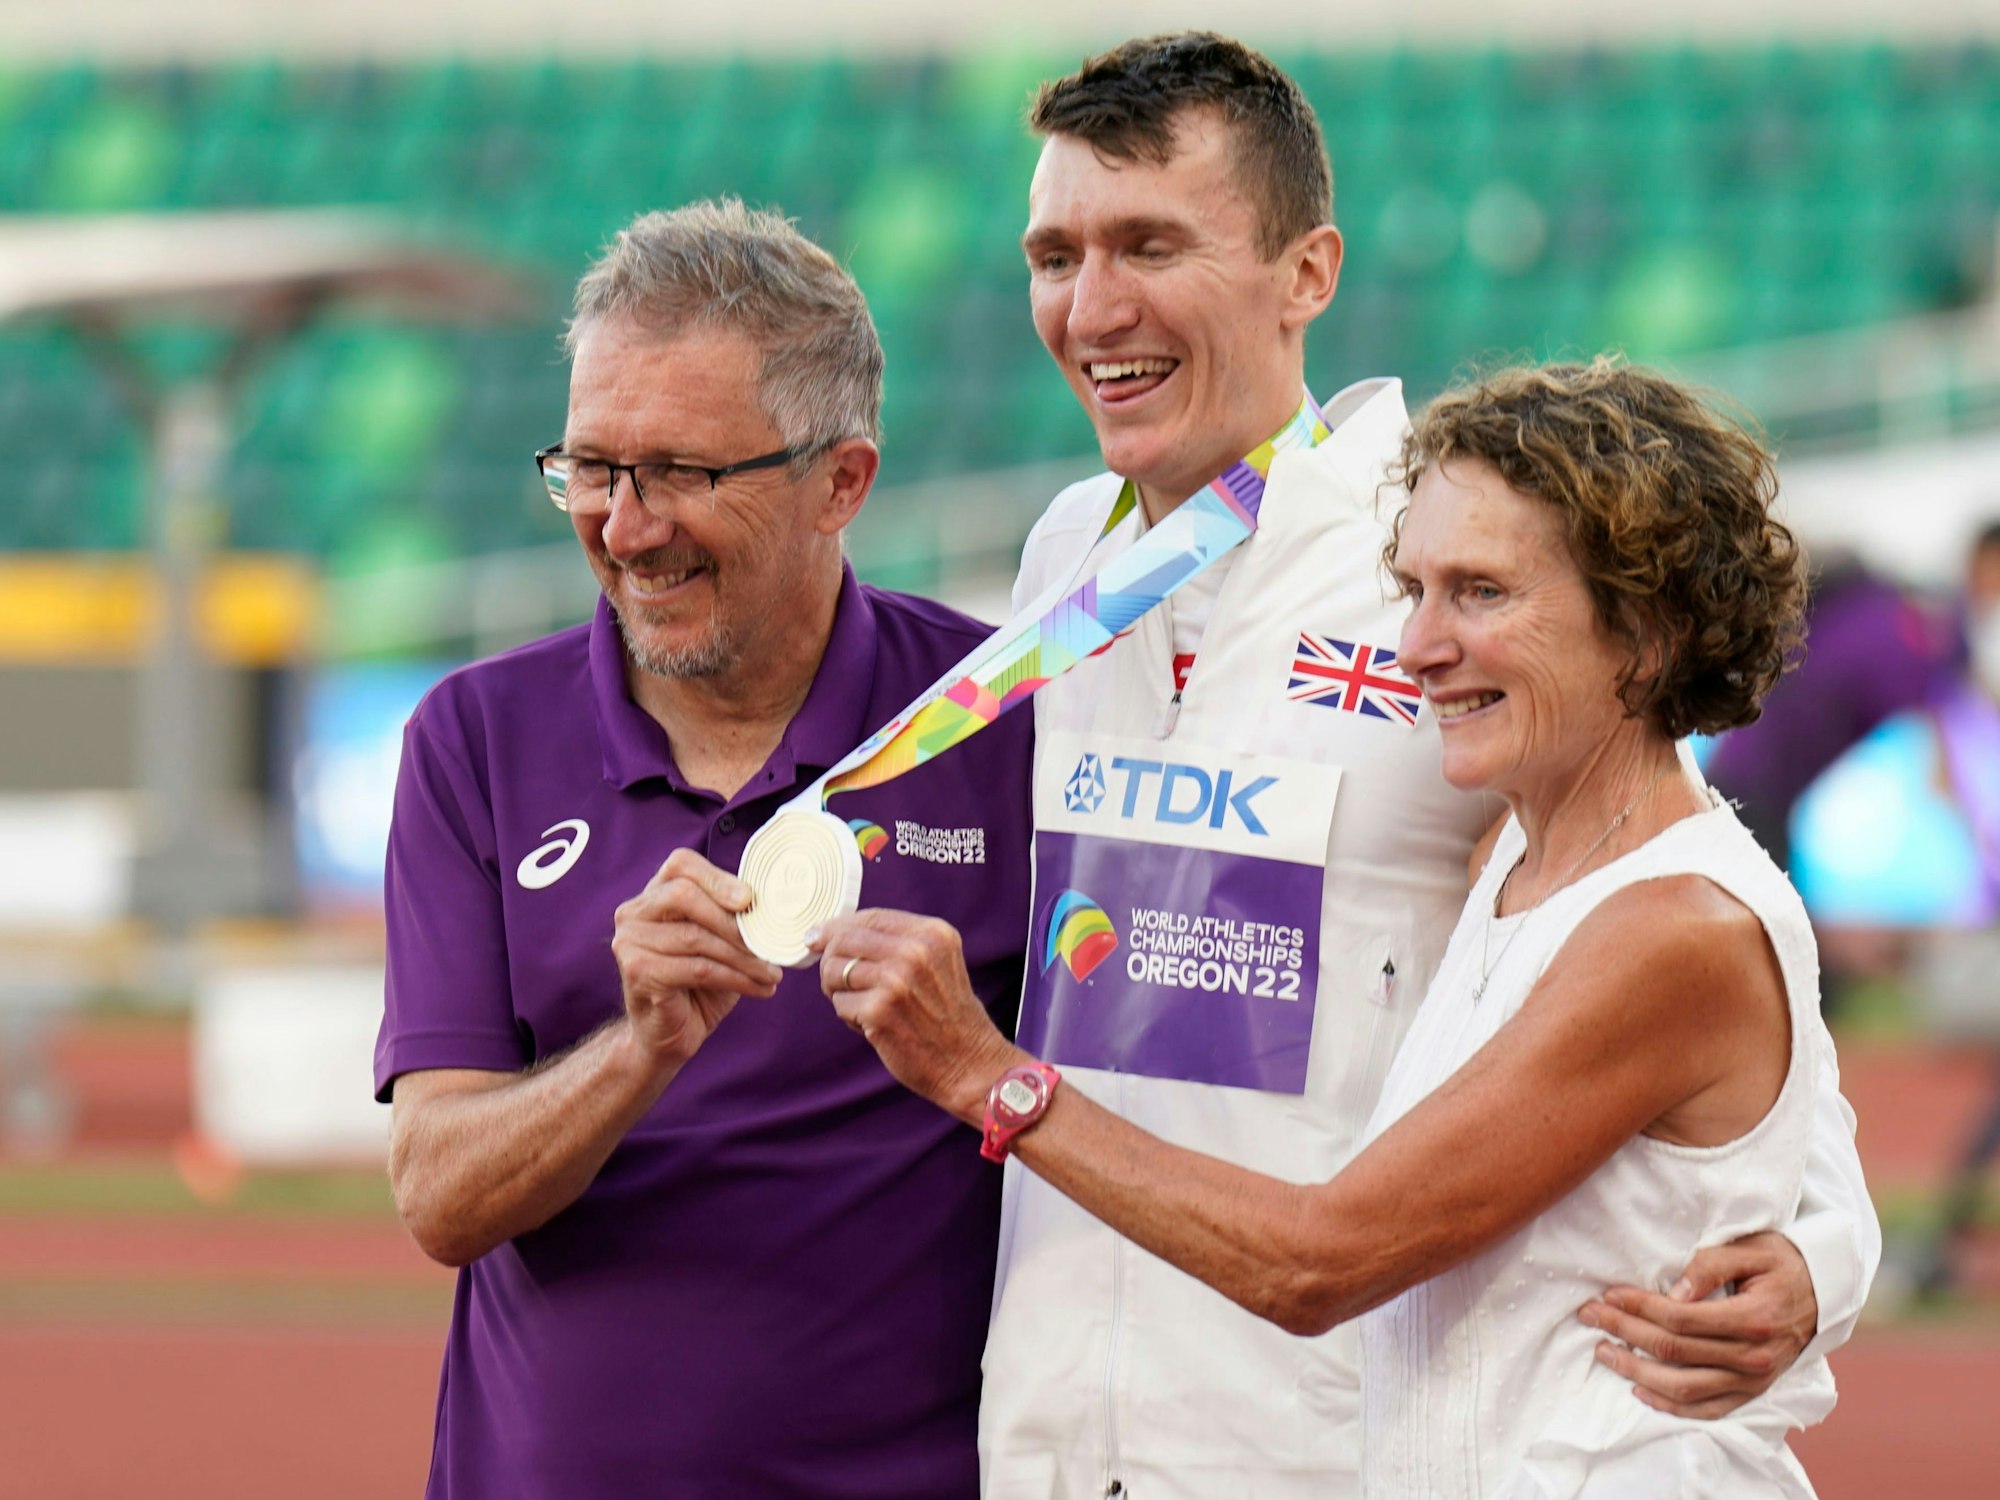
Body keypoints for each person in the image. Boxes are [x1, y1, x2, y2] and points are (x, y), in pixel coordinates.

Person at [810, 35, 1878, 1499]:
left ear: (1307, 273)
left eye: (1149, 245)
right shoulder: (1066, 557)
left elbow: (1685, 931)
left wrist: (1825, 1251)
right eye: (1054, 254)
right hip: (1062, 1429)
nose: (1091, 306)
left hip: (1327, 1433)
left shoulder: (1458, 554)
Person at [373, 199, 1033, 1498]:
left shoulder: (1002, 716)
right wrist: (641, 1048)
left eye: (680, 472)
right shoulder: (475, 738)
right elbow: (441, 1196)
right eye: (592, 468)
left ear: (842, 480)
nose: (626, 526)